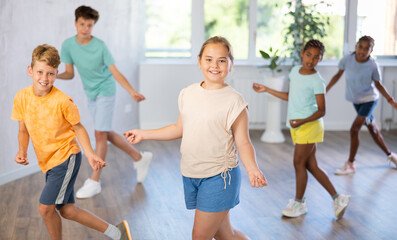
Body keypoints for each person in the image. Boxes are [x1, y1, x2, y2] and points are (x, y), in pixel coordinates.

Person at [124, 36, 267, 239]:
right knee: (226, 235)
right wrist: (143, 134)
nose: (214, 65)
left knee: (199, 236)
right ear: (199, 62)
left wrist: (252, 169)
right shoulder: (188, 93)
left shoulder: (235, 101)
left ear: (231, 64)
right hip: (192, 173)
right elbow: (178, 128)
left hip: (220, 176)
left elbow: (243, 142)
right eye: (209, 59)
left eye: (222, 60)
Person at [11, 44, 132, 240]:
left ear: (56, 74)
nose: (44, 78)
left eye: (50, 73)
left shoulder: (62, 101)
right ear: (30, 70)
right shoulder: (21, 97)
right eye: (40, 72)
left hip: (65, 157)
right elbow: (23, 130)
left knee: (45, 209)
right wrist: (22, 151)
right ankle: (117, 233)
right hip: (48, 162)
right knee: (67, 210)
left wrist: (91, 154)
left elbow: (79, 128)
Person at [57, 5, 152, 199]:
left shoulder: (100, 46)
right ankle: (140, 158)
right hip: (91, 93)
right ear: (75, 23)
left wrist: (132, 91)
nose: (85, 28)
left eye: (90, 25)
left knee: (99, 134)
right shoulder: (68, 45)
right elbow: (69, 73)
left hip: (106, 90)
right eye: (82, 24)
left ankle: (94, 180)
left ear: (93, 26)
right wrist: (52, 76)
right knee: (105, 132)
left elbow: (115, 72)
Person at [253, 39, 350, 218]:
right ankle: (338, 198)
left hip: (309, 126)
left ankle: (299, 203)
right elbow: (291, 96)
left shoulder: (317, 81)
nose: (311, 60)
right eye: (308, 55)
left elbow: (322, 110)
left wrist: (301, 121)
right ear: (302, 54)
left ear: (320, 60)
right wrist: (266, 89)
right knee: (311, 165)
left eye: (316, 58)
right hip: (297, 126)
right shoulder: (294, 72)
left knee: (298, 163)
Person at [327, 35, 397, 175]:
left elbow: (378, 85)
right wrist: (325, 90)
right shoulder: (347, 60)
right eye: (360, 47)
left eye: (366, 49)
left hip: (369, 100)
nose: (362, 51)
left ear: (371, 51)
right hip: (356, 101)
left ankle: (350, 163)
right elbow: (338, 75)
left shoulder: (372, 65)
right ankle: (392, 156)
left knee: (354, 129)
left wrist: (391, 100)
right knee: (373, 130)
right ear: (356, 47)